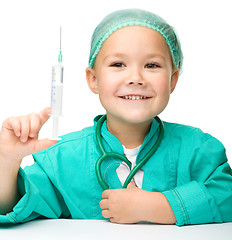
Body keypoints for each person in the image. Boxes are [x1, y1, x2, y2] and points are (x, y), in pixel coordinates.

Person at [0, 9, 231, 226]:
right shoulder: (61, 159)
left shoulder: (198, 149)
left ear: (172, 80)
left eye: (152, 65)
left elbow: (226, 194)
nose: (135, 78)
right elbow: (12, 206)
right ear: (93, 80)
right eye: (118, 64)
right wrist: (7, 162)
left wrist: (159, 206)